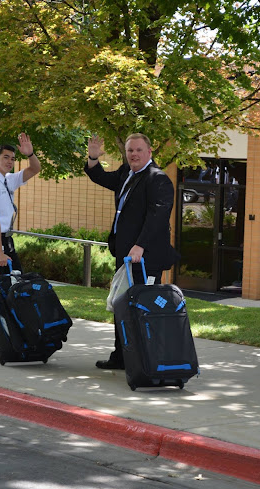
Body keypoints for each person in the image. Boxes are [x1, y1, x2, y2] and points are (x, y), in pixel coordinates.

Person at [85, 133, 179, 369]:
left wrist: (140, 245)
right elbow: (100, 177)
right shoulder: (126, 172)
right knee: (122, 304)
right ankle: (122, 355)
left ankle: (143, 359)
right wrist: (93, 158)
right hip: (125, 255)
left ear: (149, 152)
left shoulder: (158, 179)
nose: (134, 155)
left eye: (138, 150)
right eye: (130, 151)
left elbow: (157, 216)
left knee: (141, 307)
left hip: (145, 258)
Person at [0, 133, 41, 354]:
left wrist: (30, 153)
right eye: (5, 157)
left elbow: (35, 169)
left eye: (12, 158)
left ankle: (9, 336)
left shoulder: (7, 180)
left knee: (14, 284)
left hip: (4, 239)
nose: (10, 162)